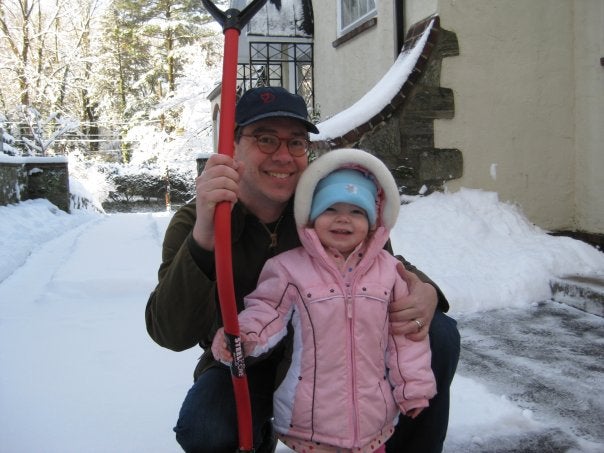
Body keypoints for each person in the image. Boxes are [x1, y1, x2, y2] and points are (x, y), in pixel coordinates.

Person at [145, 86, 460, 453]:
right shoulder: (199, 219)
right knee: (207, 428)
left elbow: (378, 264)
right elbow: (170, 332)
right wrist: (205, 236)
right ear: (232, 147)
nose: (283, 156)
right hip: (248, 359)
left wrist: (426, 291)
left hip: (334, 354)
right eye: (265, 139)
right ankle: (258, 437)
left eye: (296, 143)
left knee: (438, 332)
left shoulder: (326, 205)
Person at [211, 148, 438, 452]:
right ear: (312, 215)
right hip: (312, 422)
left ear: (372, 222)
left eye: (357, 211)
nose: (343, 219)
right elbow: (266, 311)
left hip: (372, 420)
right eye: (331, 209)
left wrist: (413, 387)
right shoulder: (289, 268)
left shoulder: (389, 272)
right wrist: (244, 335)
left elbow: (405, 338)